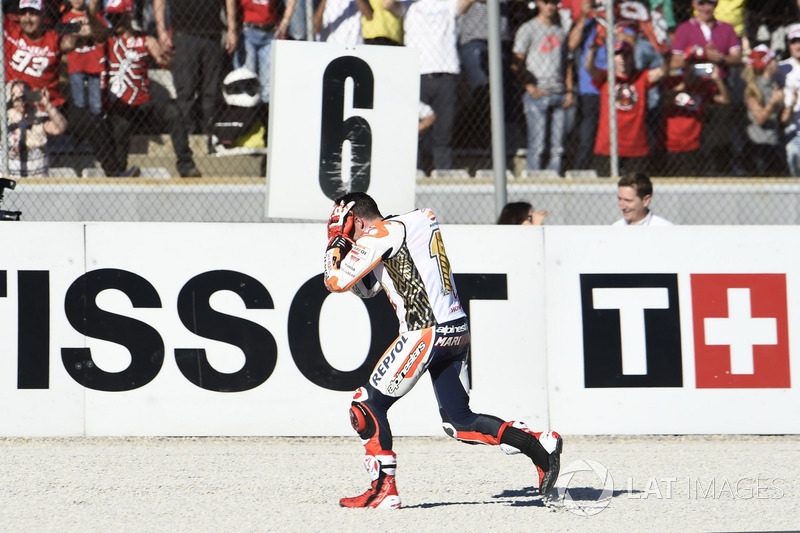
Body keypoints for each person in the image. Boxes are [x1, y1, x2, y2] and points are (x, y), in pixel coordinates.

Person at [323, 192, 562, 509]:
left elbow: (335, 281)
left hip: (426, 331)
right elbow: (368, 288)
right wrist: (353, 247)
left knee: (365, 407)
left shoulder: (378, 235)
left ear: (355, 220)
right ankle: (538, 445)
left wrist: (336, 246)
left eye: (345, 228)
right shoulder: (413, 220)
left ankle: (383, 490)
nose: (346, 236)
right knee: (459, 422)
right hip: (456, 329)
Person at [89, 0, 200, 178]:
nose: (113, 21)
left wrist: (167, 59)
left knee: (173, 112)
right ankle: (120, 173)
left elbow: (163, 61)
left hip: (144, 104)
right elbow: (92, 19)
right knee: (118, 133)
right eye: (110, 17)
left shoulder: (145, 39)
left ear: (128, 15)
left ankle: (186, 165)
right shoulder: (107, 38)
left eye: (117, 16)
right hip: (121, 106)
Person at [384, 0, 470, 172]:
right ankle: (411, 175)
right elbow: (386, 4)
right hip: (417, 75)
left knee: (444, 134)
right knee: (414, 132)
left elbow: (467, 4)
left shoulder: (449, 3)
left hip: (446, 73)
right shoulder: (408, 5)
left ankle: (443, 174)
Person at [153, 0, 237, 158]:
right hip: (184, 33)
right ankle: (185, 141)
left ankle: (210, 136)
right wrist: (161, 31)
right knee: (186, 90)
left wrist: (232, 29)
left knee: (211, 93)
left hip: (212, 35)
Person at [586, 39, 666, 176]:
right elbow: (589, 68)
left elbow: (661, 72)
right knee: (605, 187)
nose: (622, 58)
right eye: (617, 54)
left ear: (632, 57)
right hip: (608, 145)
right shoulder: (606, 77)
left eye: (626, 55)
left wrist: (665, 54)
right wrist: (592, 51)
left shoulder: (641, 77)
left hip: (636, 145)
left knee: (636, 188)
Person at [512, 0, 573, 174]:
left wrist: (569, 90)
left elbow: (567, 62)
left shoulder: (560, 30)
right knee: (537, 143)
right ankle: (534, 176)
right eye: (546, 2)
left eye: (554, 2)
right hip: (538, 93)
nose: (550, 6)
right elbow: (517, 62)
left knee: (558, 146)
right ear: (538, 3)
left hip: (559, 92)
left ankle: (554, 174)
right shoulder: (528, 29)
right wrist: (529, 86)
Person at [661, 53, 730, 176]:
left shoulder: (704, 86)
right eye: (691, 63)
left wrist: (717, 80)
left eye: (699, 63)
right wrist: (684, 84)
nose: (694, 67)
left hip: (693, 144)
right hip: (671, 144)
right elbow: (665, 102)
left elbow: (725, 100)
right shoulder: (673, 81)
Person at [231, 0, 297, 111]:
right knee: (247, 82)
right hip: (247, 31)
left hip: (270, 33)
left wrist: (285, 21)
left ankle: (266, 122)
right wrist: (232, 29)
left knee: (269, 90)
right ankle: (249, 123)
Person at [6, 81, 67, 177]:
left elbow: (60, 127)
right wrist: (8, 103)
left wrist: (46, 104)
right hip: (10, 178)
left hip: (38, 179)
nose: (21, 101)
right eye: (17, 97)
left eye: (24, 96)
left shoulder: (38, 115)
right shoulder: (5, 117)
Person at [742, 45, 785, 176]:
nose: (776, 62)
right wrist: (772, 102)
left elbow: (781, 120)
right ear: (767, 64)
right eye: (773, 59)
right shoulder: (754, 88)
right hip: (759, 146)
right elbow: (760, 119)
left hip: (774, 142)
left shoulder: (774, 85)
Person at [61, 0, 106, 116]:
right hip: (76, 65)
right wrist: (81, 31)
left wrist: (84, 30)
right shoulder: (67, 18)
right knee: (78, 101)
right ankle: (80, 126)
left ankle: (97, 124)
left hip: (94, 64)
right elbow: (65, 42)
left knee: (96, 103)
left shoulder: (95, 16)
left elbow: (101, 34)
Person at [779, 24, 800, 177]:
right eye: (794, 41)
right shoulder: (781, 68)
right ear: (788, 45)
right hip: (791, 131)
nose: (798, 45)